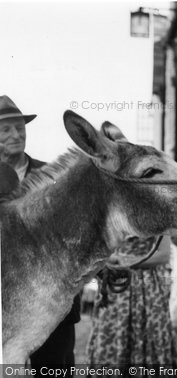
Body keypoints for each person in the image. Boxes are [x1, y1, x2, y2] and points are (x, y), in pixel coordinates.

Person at [0, 95, 81, 374]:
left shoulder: (54, 177)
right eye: (6, 129)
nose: (16, 134)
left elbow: (77, 230)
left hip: (53, 305)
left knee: (55, 368)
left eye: (19, 127)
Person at [86, 233, 177, 366]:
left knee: (148, 330)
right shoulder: (112, 213)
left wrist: (128, 261)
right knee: (112, 333)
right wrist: (110, 260)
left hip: (147, 286)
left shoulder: (157, 215)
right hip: (116, 284)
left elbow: (164, 255)